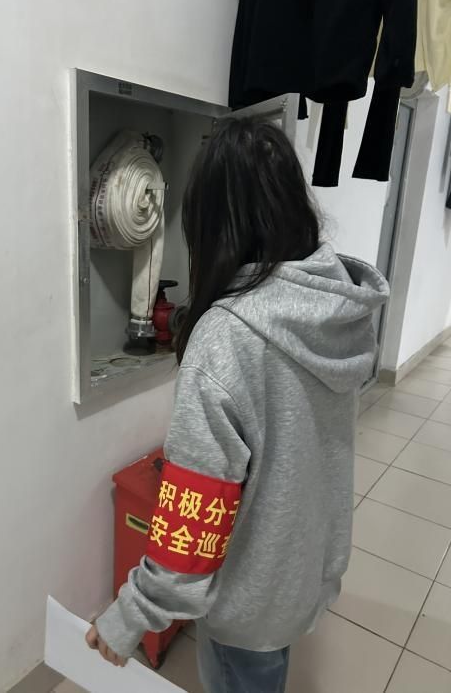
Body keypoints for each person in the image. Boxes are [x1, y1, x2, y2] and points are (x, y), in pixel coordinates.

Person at [85, 118, 389, 693]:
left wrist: (131, 615)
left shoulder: (226, 337)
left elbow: (193, 514)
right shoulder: (332, 308)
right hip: (302, 572)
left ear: (213, 225)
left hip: (250, 599)